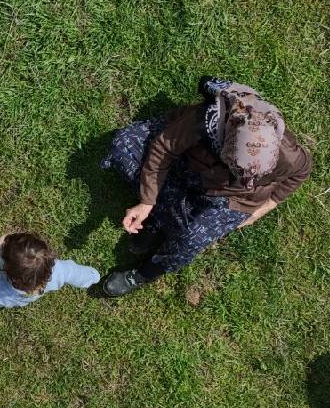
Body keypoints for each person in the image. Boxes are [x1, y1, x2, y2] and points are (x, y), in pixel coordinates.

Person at [99, 78, 312, 296]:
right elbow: (164, 148)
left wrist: (269, 205)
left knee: (191, 239)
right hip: (188, 165)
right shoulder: (205, 121)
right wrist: (146, 200)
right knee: (124, 145)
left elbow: (302, 172)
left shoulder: (287, 155)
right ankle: (162, 214)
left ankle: (144, 272)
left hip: (231, 198)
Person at [0, 232, 100, 309]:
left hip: (6, 293)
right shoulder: (60, 269)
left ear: (5, 268)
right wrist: (94, 276)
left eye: (2, 251)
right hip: (26, 295)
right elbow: (79, 274)